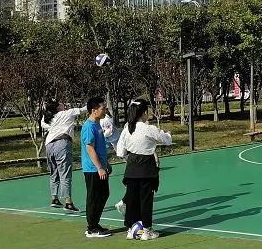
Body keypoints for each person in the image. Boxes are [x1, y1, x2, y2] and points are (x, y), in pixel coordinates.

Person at [115, 99, 172, 240]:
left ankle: (130, 229)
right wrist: (168, 134)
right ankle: (146, 230)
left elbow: (120, 152)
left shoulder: (128, 127)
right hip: (146, 167)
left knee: (132, 199)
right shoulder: (148, 128)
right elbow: (166, 140)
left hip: (131, 167)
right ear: (144, 113)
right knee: (146, 199)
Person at [41, 99, 87, 212]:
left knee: (54, 172)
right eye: (60, 103)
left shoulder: (49, 117)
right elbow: (83, 110)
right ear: (57, 107)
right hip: (62, 143)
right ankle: (68, 202)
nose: (63, 103)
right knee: (65, 172)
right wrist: (94, 103)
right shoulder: (67, 113)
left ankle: (54, 198)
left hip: (49, 145)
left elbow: (44, 123)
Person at [81, 96, 112, 238]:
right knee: (94, 197)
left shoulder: (97, 124)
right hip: (92, 169)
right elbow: (90, 148)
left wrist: (105, 165)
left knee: (104, 194)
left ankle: (95, 223)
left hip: (100, 167)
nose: (105, 109)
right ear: (94, 110)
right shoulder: (88, 127)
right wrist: (99, 167)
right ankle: (91, 228)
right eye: (102, 108)